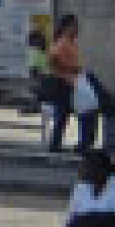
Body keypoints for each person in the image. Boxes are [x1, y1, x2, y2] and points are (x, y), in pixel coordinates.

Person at [45, 14, 99, 153]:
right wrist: (70, 68)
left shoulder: (71, 42)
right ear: (66, 27)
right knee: (64, 115)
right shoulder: (62, 42)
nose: (77, 29)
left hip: (74, 83)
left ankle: (80, 144)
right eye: (74, 26)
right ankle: (57, 145)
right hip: (65, 83)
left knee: (79, 113)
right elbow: (52, 61)